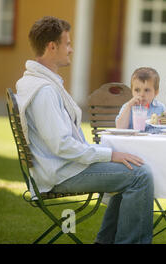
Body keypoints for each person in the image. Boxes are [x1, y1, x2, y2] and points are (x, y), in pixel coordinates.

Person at [15, 16, 155, 244]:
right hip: (61, 173)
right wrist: (110, 154)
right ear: (52, 47)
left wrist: (110, 156)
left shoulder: (37, 82)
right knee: (140, 175)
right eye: (67, 44)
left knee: (131, 169)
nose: (71, 50)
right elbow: (62, 146)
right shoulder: (44, 91)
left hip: (62, 166)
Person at [116, 67, 166, 133]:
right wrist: (128, 106)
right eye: (137, 90)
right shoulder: (127, 107)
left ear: (156, 92)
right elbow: (120, 129)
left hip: (153, 142)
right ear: (132, 91)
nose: (142, 94)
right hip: (132, 142)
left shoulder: (160, 108)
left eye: (146, 90)